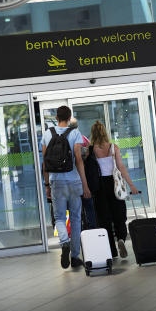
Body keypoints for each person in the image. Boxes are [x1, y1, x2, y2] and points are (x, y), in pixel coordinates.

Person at [42, 106, 90, 270]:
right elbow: (78, 160)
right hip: (74, 181)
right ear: (69, 117)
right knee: (76, 219)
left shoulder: (47, 134)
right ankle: (75, 256)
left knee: (60, 217)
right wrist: (85, 184)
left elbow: (45, 163)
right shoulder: (75, 133)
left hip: (57, 182)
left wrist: (47, 185)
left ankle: (64, 243)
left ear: (56, 117)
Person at [88, 121, 139, 259]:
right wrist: (131, 185)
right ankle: (121, 238)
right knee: (119, 214)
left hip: (99, 186)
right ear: (105, 132)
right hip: (115, 184)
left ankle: (111, 250)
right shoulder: (113, 147)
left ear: (93, 133)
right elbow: (121, 168)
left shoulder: (91, 150)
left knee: (104, 219)